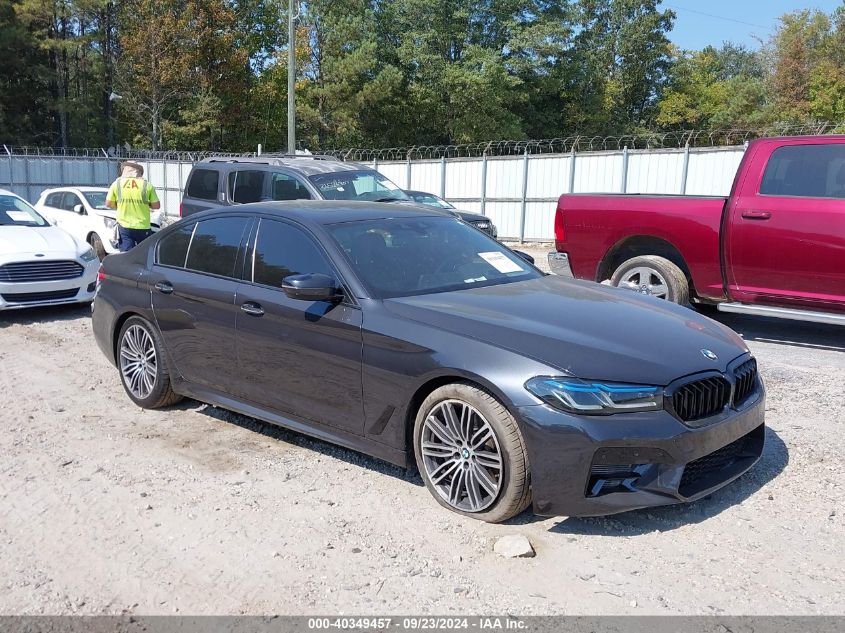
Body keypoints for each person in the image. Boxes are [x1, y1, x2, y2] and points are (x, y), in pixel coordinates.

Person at [105, 161, 161, 252]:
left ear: (124, 170)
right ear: (139, 171)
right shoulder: (146, 184)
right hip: (143, 226)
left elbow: (108, 204)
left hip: (124, 226)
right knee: (144, 255)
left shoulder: (117, 184)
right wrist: (146, 204)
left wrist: (120, 205)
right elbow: (156, 206)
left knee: (126, 256)